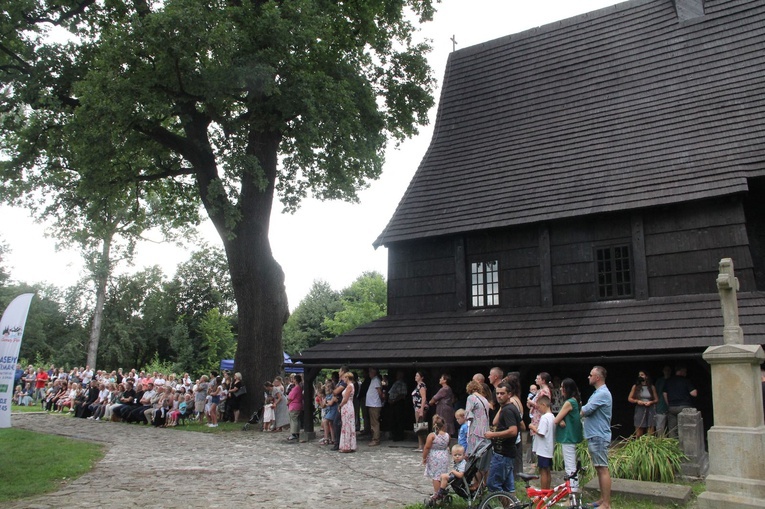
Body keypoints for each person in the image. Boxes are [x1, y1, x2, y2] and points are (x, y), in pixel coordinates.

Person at [581, 366, 613, 509]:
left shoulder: (602, 393)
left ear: (598, 377)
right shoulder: (598, 393)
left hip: (599, 435)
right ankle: (602, 499)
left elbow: (585, 410)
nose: (589, 377)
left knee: (602, 469)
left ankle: (606, 504)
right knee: (599, 468)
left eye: (591, 374)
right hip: (595, 435)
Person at [485, 381, 521, 498]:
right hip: (507, 453)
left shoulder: (508, 410)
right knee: (508, 487)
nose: (499, 396)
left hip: (503, 454)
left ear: (509, 394)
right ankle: (513, 506)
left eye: (502, 393)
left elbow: (513, 430)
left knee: (493, 484)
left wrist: (493, 435)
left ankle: (508, 505)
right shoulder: (508, 408)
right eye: (497, 393)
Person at [554, 378, 584, 492]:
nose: (561, 389)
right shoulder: (575, 400)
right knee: (571, 464)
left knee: (570, 466)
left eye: (563, 387)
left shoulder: (568, 402)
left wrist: (560, 419)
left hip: (568, 437)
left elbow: (556, 419)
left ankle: (573, 492)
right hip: (572, 436)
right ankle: (572, 490)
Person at [465, 380, 491, 487]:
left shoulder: (471, 398)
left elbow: (468, 415)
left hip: (475, 431)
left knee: (474, 459)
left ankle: (476, 484)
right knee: (484, 459)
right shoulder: (484, 400)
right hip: (485, 431)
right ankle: (484, 483)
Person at [663, 365, 697, 439]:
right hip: (684, 407)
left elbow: (664, 393)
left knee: (672, 429)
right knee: (686, 428)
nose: (686, 373)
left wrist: (668, 404)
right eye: (685, 371)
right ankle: (685, 446)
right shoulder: (686, 380)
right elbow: (694, 394)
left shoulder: (668, 380)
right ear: (681, 371)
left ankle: (674, 447)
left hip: (672, 407)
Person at [422, 414, 451, 502]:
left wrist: (424, 457)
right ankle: (442, 492)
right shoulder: (447, 435)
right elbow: (448, 444)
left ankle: (437, 493)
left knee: (436, 476)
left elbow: (427, 447)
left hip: (435, 457)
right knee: (442, 475)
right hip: (444, 456)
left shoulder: (432, 435)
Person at [529, 395, 554, 489]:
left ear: (544, 405)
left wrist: (532, 427)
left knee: (543, 471)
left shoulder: (545, 418)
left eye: (539, 407)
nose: (538, 409)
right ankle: (548, 490)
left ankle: (544, 492)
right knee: (547, 470)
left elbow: (541, 433)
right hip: (549, 448)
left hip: (543, 449)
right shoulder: (552, 416)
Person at [628, 370, 658, 437]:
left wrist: (651, 402)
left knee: (651, 429)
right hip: (640, 408)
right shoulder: (635, 387)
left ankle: (649, 445)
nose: (640, 376)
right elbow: (630, 398)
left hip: (650, 409)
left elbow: (656, 399)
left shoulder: (651, 387)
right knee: (639, 429)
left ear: (646, 377)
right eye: (639, 375)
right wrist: (637, 401)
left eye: (642, 375)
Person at [366, 367, 384, 446]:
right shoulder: (373, 380)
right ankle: (374, 437)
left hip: (374, 404)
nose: (369, 373)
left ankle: (376, 439)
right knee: (373, 422)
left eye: (370, 372)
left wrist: (381, 399)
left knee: (375, 423)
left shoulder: (376, 380)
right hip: (372, 404)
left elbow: (379, 392)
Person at [338, 372, 356, 453]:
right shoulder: (351, 385)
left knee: (346, 425)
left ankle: (346, 446)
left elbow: (345, 399)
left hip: (347, 406)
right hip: (349, 405)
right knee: (348, 424)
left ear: (348, 378)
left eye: (345, 377)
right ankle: (350, 445)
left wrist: (340, 405)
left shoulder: (349, 386)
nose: (343, 379)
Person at [412, 371, 429, 451]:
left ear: (421, 377)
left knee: (420, 426)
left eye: (418, 375)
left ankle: (423, 445)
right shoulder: (418, 385)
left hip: (419, 408)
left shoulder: (422, 385)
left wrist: (421, 409)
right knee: (418, 426)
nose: (416, 376)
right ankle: (421, 445)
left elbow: (423, 398)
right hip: (416, 407)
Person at [653, 365, 672, 436]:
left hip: (672, 406)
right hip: (660, 406)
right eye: (665, 370)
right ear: (663, 371)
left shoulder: (673, 380)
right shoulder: (659, 381)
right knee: (660, 427)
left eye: (668, 370)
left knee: (672, 427)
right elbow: (655, 393)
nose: (667, 372)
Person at [287, 374, 303, 441]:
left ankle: (294, 433)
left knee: (293, 420)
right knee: (297, 420)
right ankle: (297, 432)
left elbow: (290, 397)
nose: (292, 380)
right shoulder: (299, 387)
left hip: (294, 405)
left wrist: (287, 403)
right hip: (298, 405)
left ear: (296, 380)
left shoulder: (296, 388)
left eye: (293, 379)